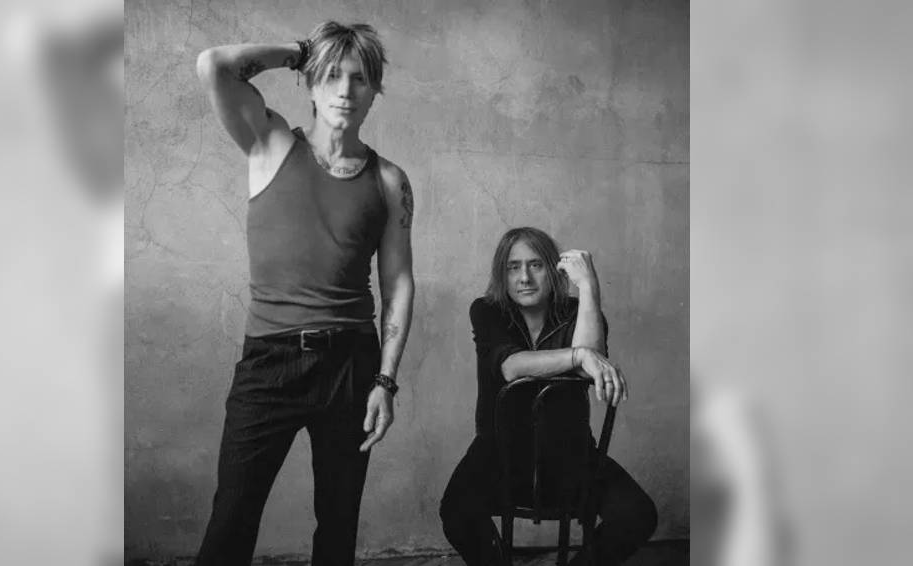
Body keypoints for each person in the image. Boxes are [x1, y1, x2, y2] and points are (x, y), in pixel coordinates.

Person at [192, 21, 415, 566]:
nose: (345, 90)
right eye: (331, 76)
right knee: (231, 523)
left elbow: (398, 283)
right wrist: (302, 52)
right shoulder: (269, 143)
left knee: (337, 528)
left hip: (351, 366)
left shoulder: (390, 181)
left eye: (359, 79)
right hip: (270, 362)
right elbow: (213, 64)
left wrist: (385, 380)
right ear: (311, 84)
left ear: (374, 91)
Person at [440, 227, 656, 566]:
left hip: (569, 456)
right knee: (457, 512)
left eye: (536, 265)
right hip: (499, 455)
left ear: (554, 270)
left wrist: (588, 288)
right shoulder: (487, 310)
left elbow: (590, 368)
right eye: (513, 267)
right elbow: (511, 366)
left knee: (637, 514)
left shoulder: (578, 311)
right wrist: (577, 356)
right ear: (502, 274)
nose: (524, 277)